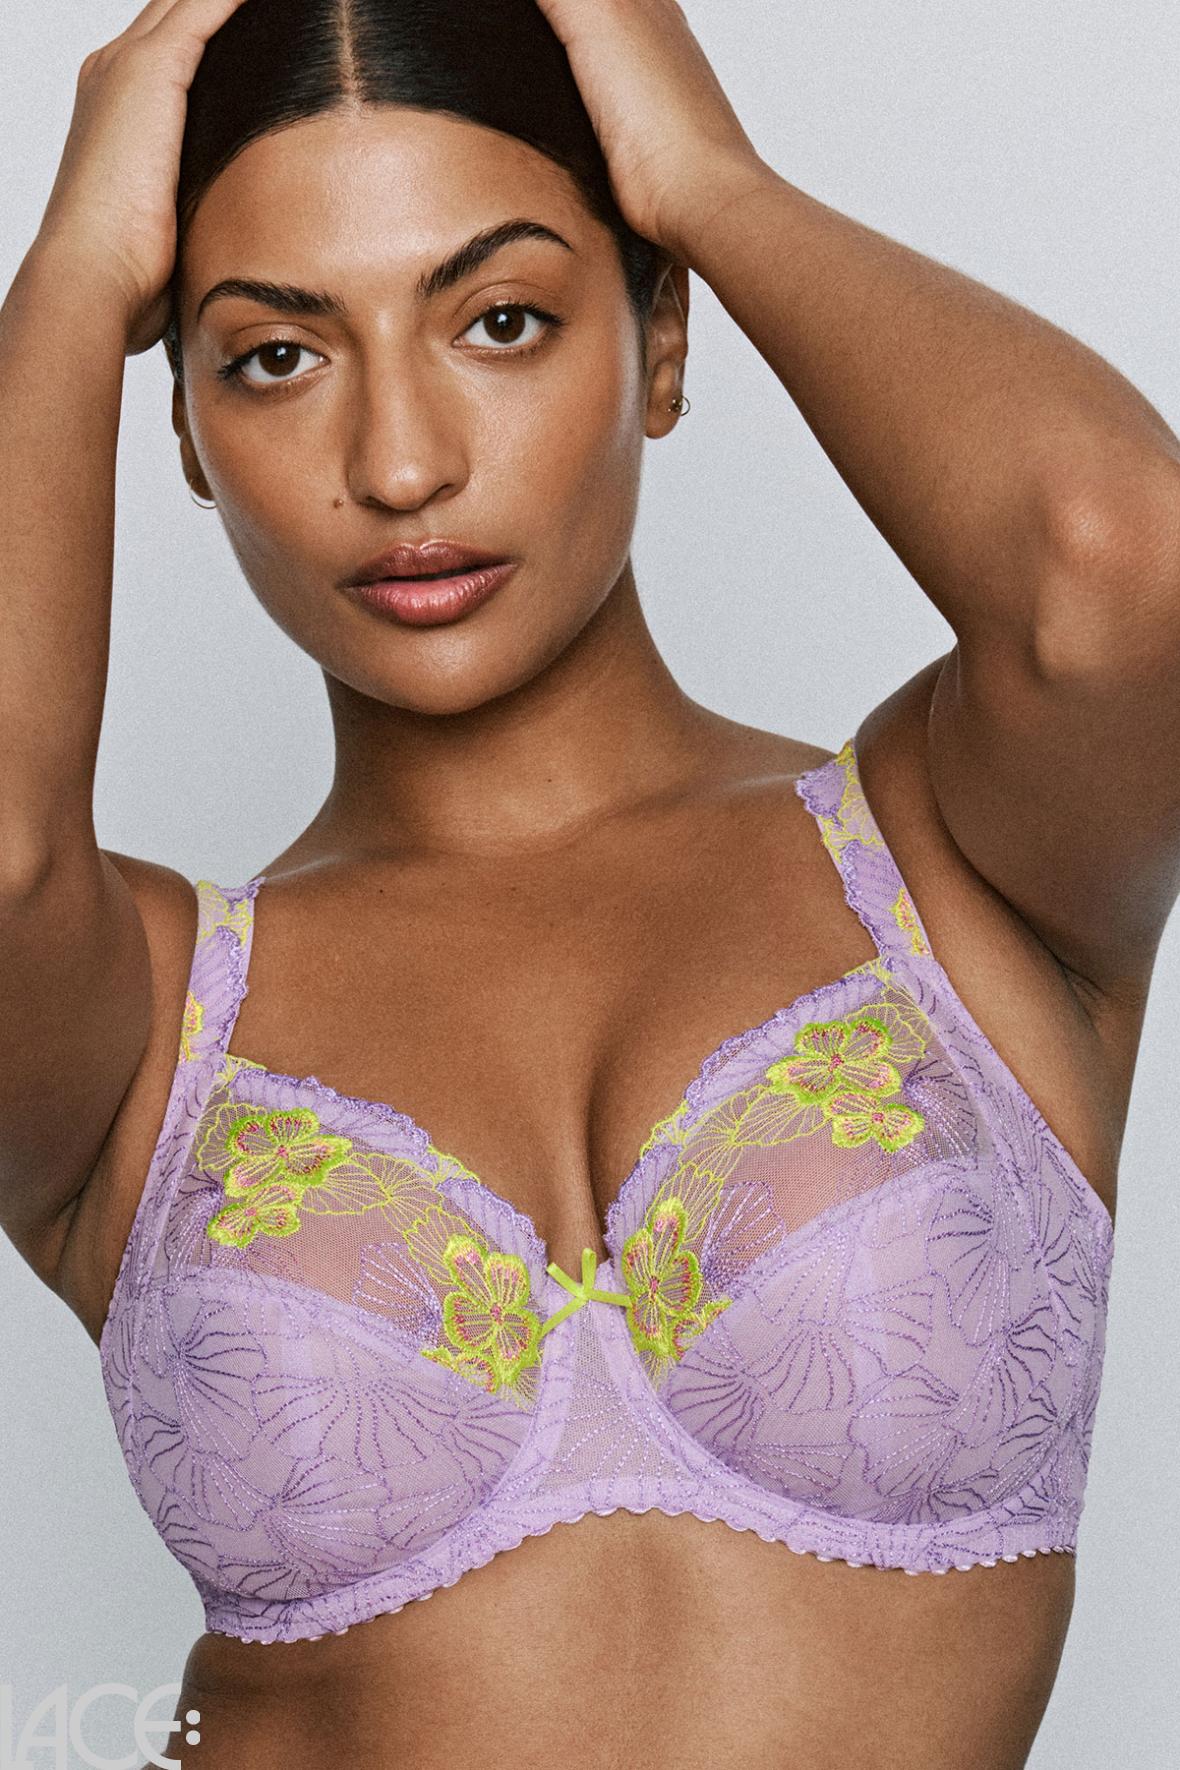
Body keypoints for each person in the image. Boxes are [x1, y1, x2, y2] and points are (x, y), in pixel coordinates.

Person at [1, 0, 1176, 1764]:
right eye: (275, 356)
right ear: (180, 429)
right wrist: (73, 274)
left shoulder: (952, 864)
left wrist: (708, 177)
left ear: (661, 337)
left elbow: (1119, 568)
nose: (402, 462)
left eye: (501, 319)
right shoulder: (149, 1031)